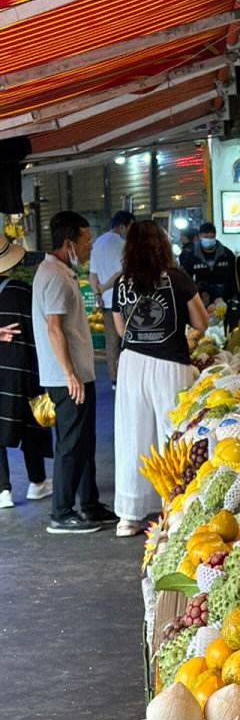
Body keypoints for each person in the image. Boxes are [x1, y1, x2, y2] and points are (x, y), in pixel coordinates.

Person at [112, 220, 208, 536]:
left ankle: (129, 515)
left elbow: (120, 329)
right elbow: (201, 322)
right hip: (170, 363)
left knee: (133, 436)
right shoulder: (177, 279)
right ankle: (176, 508)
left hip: (132, 364)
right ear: (163, 245)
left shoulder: (121, 283)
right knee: (174, 434)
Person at [32, 211, 115, 533]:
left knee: (84, 443)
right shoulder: (53, 275)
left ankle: (89, 505)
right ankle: (61, 513)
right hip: (67, 378)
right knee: (70, 445)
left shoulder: (61, 271)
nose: (90, 246)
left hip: (78, 374)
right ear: (69, 243)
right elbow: (54, 329)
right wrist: (69, 374)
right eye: (86, 240)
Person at [0, 239, 51, 508]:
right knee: (32, 421)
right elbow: (40, 329)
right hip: (24, 367)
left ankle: (2, 491)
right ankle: (37, 482)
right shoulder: (22, 290)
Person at [88, 209, 133, 388]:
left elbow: (92, 274)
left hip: (106, 303)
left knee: (111, 343)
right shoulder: (123, 244)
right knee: (128, 339)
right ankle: (128, 378)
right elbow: (121, 272)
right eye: (130, 227)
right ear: (122, 226)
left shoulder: (97, 243)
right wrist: (105, 287)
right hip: (124, 300)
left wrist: (98, 293)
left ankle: (114, 380)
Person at [179, 221, 233, 303]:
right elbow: (186, 278)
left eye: (211, 237)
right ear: (200, 236)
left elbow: (233, 276)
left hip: (224, 297)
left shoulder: (225, 253)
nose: (209, 239)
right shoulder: (192, 255)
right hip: (202, 297)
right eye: (206, 237)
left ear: (215, 236)